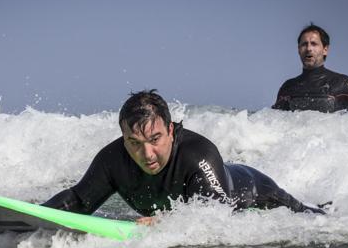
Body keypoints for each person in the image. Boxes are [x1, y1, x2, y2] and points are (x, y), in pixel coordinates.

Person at [44, 89, 325, 223]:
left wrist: (163, 222)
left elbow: (216, 217)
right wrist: (32, 217)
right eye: (134, 142)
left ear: (170, 129)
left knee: (305, 216)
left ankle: (325, 209)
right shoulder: (113, 159)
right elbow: (80, 201)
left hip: (252, 188)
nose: (146, 153)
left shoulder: (197, 154)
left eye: (154, 140)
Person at [272, 23, 348, 113]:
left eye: (314, 44)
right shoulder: (288, 87)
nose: (308, 48)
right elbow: (273, 123)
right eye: (304, 44)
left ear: (325, 49)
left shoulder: (342, 83)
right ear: (299, 50)